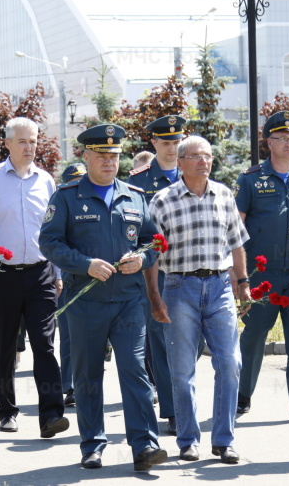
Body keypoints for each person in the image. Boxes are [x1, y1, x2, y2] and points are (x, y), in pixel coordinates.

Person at [40, 124, 165, 472]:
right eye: (101, 155)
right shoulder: (67, 197)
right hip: (85, 302)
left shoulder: (135, 196)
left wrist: (143, 259)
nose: (109, 161)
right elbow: (48, 242)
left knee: (135, 372)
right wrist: (85, 264)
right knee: (88, 376)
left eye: (114, 155)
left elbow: (155, 242)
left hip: (128, 302)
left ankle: (145, 446)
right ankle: (92, 444)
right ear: (86, 156)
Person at [146, 135, 249, 464]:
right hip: (179, 287)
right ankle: (188, 439)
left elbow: (236, 243)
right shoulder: (162, 201)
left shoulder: (224, 195)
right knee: (181, 371)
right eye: (196, 156)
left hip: (219, 286)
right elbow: (152, 256)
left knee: (230, 364)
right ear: (180, 162)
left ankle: (224, 439)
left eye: (208, 156)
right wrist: (155, 298)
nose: (205, 161)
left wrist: (242, 283)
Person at [0, 117, 68, 438]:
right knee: (4, 347)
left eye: (34, 141)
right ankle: (7, 410)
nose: (29, 147)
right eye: (22, 141)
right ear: (8, 144)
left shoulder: (46, 181)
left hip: (40, 274)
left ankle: (50, 415)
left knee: (45, 345)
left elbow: (55, 232)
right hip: (2, 276)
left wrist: (59, 272)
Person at [233, 111, 289, 424]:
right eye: (283, 138)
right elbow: (236, 230)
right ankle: (241, 396)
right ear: (269, 142)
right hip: (262, 275)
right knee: (254, 335)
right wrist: (239, 276)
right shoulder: (250, 180)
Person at [128, 114, 187, 436]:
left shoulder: (192, 172)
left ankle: (185, 401)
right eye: (166, 143)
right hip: (156, 273)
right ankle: (173, 409)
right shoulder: (138, 182)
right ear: (154, 144)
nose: (173, 148)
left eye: (177, 142)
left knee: (189, 342)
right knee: (163, 343)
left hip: (192, 268)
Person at [56, 162, 87, 408]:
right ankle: (70, 386)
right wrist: (56, 277)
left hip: (94, 281)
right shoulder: (60, 204)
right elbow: (52, 246)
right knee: (68, 337)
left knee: (89, 338)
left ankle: (86, 385)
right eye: (74, 180)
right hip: (66, 281)